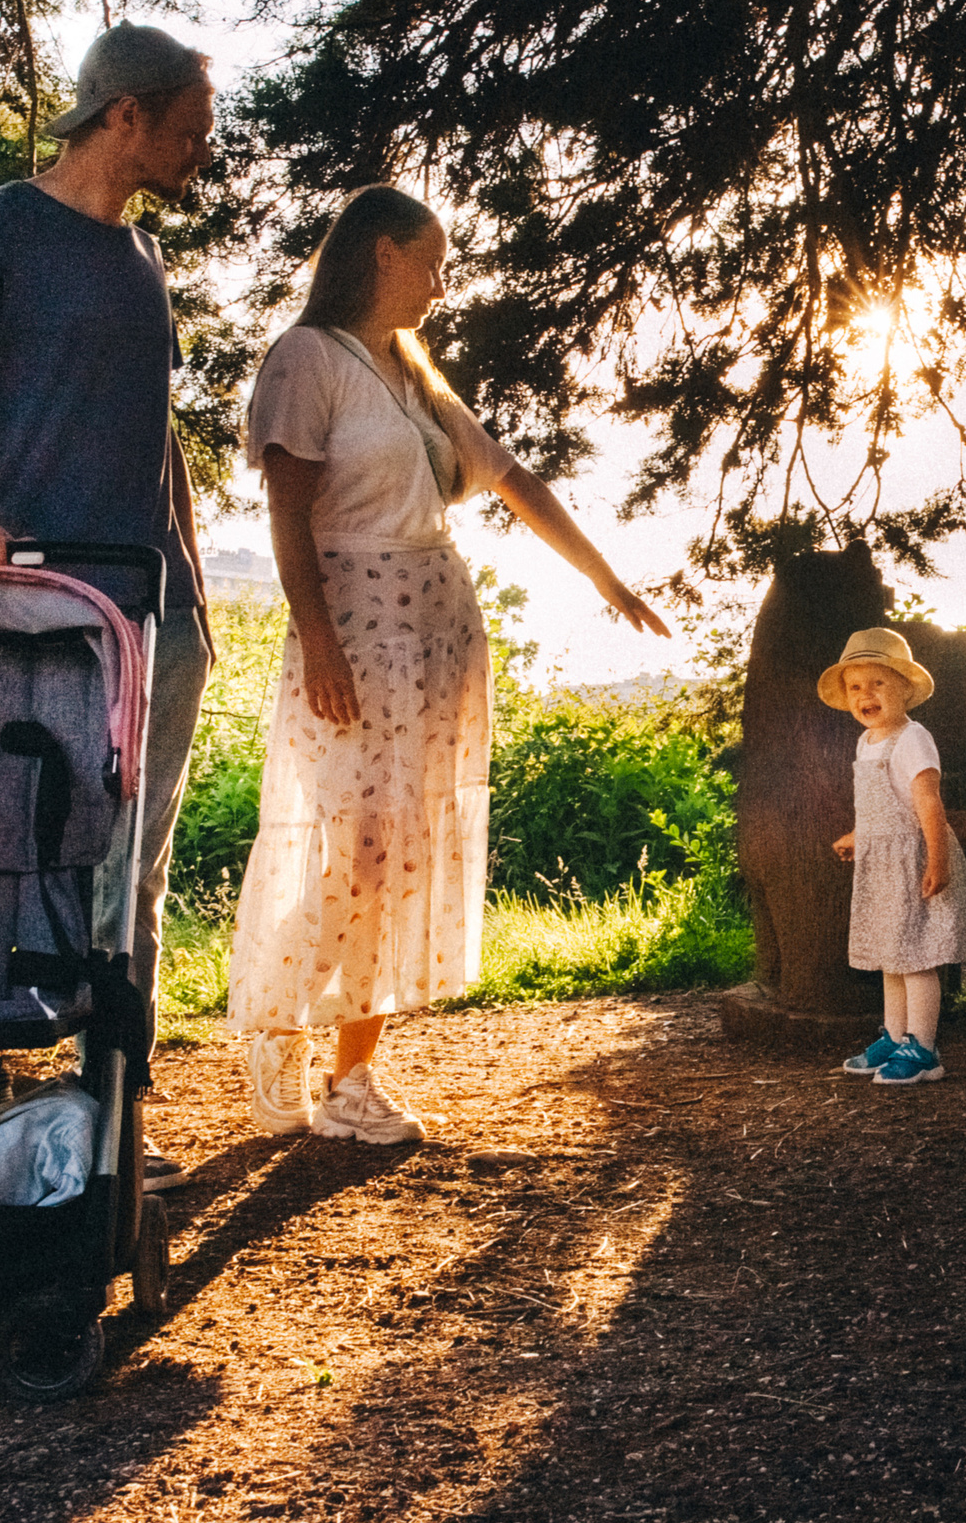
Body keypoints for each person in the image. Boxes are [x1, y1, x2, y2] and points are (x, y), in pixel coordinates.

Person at [230, 185, 670, 1142]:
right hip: (355, 631)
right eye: (430, 263)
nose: (439, 285)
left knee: (397, 856)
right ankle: (276, 1028)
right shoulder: (308, 358)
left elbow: (514, 480)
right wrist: (318, 640)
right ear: (382, 253)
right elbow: (288, 514)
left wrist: (606, 579)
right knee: (349, 846)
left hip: (437, 635)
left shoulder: (413, 372)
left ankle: (353, 1076)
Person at [0, 22, 218, 1190]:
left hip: (151, 611)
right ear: (124, 113)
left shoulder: (145, 261)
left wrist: (189, 592)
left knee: (130, 877)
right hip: (25, 605)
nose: (203, 149)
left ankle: (111, 1109)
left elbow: (151, 442)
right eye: (191, 127)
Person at [825, 628, 966, 1085]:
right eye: (855, 687)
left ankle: (923, 1047)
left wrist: (938, 861)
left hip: (912, 860)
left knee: (915, 957)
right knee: (891, 955)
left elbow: (927, 804)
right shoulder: (867, 741)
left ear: (904, 688)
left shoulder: (912, 738)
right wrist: (860, 835)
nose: (866, 695)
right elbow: (881, 805)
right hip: (881, 864)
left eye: (878, 683)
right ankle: (895, 1036)